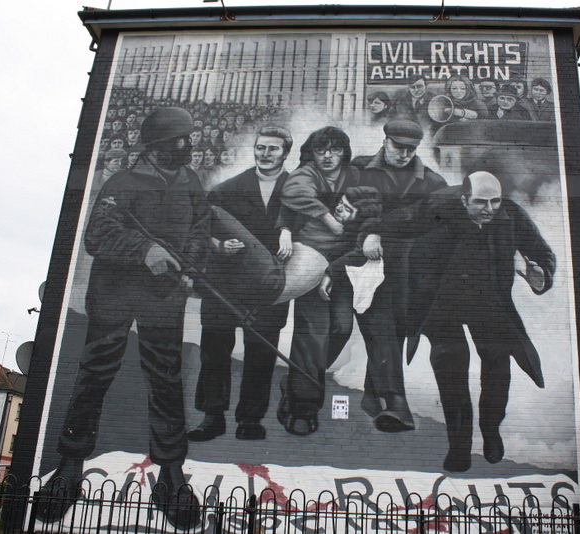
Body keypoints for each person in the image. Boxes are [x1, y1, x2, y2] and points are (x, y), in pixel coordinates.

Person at [36, 107, 209, 529]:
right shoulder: (123, 182)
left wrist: (191, 267)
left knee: (167, 383)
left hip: (163, 298)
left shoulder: (190, 184)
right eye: (180, 140)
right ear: (158, 146)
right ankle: (70, 464)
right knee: (95, 373)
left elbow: (200, 231)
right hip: (113, 294)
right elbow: (98, 232)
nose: (188, 146)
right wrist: (144, 250)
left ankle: (170, 475)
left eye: (188, 138)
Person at [393, 171, 554, 472]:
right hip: (442, 301)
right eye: (481, 202)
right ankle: (459, 446)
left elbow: (541, 252)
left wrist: (540, 275)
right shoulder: (435, 207)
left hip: (489, 301)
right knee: (451, 365)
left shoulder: (511, 214)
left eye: (495, 201)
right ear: (463, 198)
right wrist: (370, 235)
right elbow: (397, 226)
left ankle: (491, 430)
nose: (490, 208)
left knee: (497, 366)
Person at [188, 126, 294, 442]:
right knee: (215, 351)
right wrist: (218, 247)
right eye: (261, 147)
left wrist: (289, 230)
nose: (265, 154)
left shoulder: (298, 192)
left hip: (269, 288)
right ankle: (212, 416)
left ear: (286, 153)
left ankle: (250, 419)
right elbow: (196, 231)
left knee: (261, 352)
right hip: (226, 282)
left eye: (273, 149)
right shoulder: (226, 190)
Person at [350, 118, 447, 432]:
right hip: (366, 267)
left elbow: (442, 227)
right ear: (385, 140)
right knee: (380, 330)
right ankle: (396, 405)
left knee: (393, 333)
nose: (404, 154)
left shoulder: (432, 182)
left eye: (411, 149)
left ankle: (370, 394)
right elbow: (341, 214)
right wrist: (363, 236)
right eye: (398, 147)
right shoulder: (359, 171)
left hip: (409, 274)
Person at [274, 126, 362, 435]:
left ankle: (299, 378)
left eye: (334, 150)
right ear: (312, 153)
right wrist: (288, 228)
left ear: (344, 152)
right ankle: (303, 408)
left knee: (341, 328)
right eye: (321, 150)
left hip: (342, 265)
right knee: (312, 332)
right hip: (310, 259)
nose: (327, 156)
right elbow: (292, 197)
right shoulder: (306, 173)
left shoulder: (356, 175)